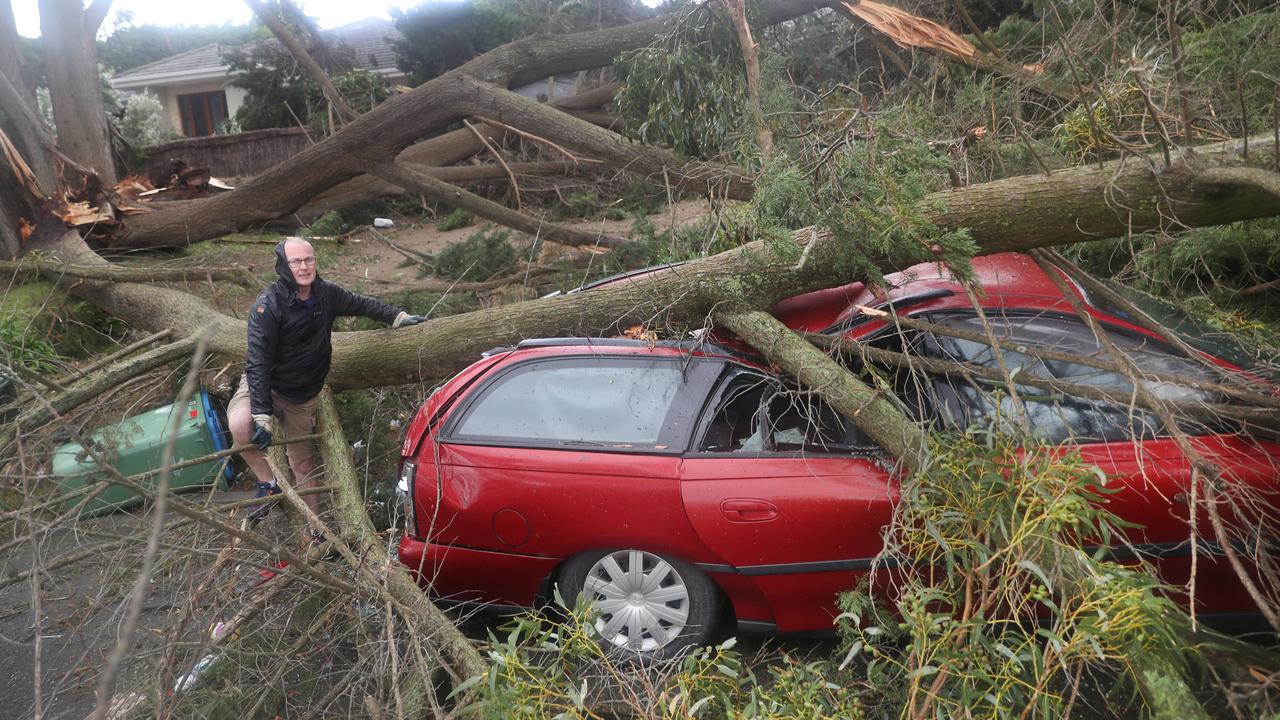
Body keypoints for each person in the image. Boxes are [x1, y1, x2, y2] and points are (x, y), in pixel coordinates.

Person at [227, 237, 423, 535]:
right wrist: (262, 415)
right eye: (296, 262)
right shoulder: (268, 306)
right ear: (283, 266)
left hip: (303, 395)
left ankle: (316, 531)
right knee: (240, 424)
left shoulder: (326, 294)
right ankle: (268, 482)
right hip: (265, 383)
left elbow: (362, 303)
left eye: (309, 260)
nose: (304, 267)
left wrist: (397, 316)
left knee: (302, 464)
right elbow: (257, 362)